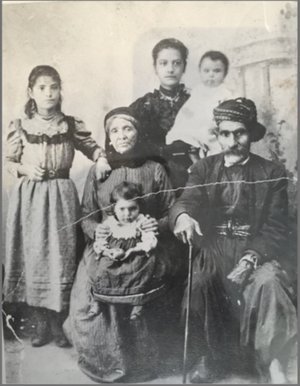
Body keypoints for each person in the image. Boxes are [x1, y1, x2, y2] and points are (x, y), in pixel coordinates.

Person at [169, 98, 297, 383]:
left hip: (256, 248)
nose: (232, 140)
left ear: (251, 133)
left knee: (269, 283)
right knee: (200, 281)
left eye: (239, 133)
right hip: (215, 246)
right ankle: (210, 357)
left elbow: (276, 226)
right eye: (225, 133)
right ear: (218, 135)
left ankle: (273, 362)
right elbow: (186, 199)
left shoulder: (271, 173)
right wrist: (183, 217)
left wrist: (250, 258)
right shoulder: (204, 168)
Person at [65, 107, 181, 383]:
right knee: (88, 296)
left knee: (145, 280)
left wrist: (154, 227)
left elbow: (171, 210)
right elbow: (88, 215)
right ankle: (107, 360)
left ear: (138, 132)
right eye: (114, 130)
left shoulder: (154, 169)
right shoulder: (99, 170)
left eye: (127, 128)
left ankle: (142, 362)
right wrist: (102, 234)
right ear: (108, 137)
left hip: (145, 242)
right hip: (106, 243)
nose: (122, 135)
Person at [3, 65, 111, 348]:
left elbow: (93, 147)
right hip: (31, 199)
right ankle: (39, 322)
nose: (48, 93)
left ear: (60, 90)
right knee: (35, 255)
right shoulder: (20, 126)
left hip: (62, 196)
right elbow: (9, 162)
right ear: (31, 92)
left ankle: (58, 321)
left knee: (62, 256)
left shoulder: (70, 124)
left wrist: (100, 158)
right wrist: (26, 168)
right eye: (41, 88)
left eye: (53, 87)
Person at [87, 181, 168, 322]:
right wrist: (107, 251)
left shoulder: (142, 222)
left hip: (136, 255)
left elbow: (150, 240)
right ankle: (98, 300)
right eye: (122, 209)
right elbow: (100, 242)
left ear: (139, 208)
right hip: (114, 254)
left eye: (132, 209)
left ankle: (138, 302)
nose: (127, 214)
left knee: (140, 270)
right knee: (102, 268)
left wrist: (133, 250)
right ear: (114, 208)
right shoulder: (110, 224)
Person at [130, 38, 191, 189]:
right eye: (163, 63)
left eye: (177, 63)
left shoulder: (196, 101)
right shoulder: (143, 105)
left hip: (194, 175)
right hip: (154, 179)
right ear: (155, 67)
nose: (170, 69)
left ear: (184, 67)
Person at [167, 50, 233, 159]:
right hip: (196, 128)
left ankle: (203, 159)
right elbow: (188, 111)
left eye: (217, 71)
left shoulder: (225, 94)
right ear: (200, 72)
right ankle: (194, 157)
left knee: (216, 146)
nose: (211, 75)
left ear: (225, 73)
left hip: (213, 130)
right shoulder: (198, 91)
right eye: (206, 71)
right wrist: (188, 114)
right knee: (185, 134)